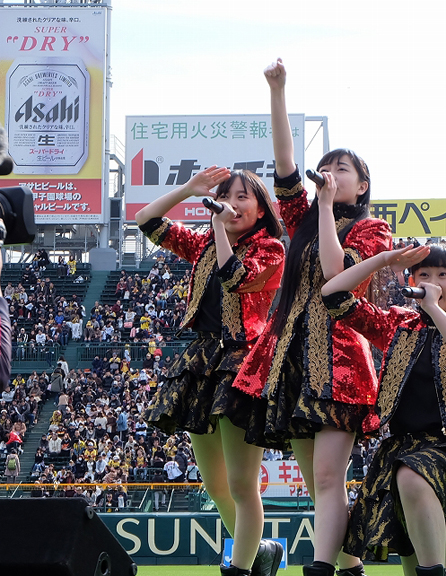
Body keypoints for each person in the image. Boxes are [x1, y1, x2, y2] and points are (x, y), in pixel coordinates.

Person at [232, 58, 392, 576]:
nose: (331, 173)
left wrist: (324, 208)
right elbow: (284, 163)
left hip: (341, 363)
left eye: (343, 169)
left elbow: (335, 275)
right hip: (293, 358)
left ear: (363, 185)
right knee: (320, 482)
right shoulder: (302, 214)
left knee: (327, 479)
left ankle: (323, 568)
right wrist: (277, 91)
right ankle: (349, 567)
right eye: (327, 166)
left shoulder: (373, 230)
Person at [321, 243, 446, 576]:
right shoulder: (398, 324)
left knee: (411, 475)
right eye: (424, 274)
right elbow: (333, 295)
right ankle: (445, 563)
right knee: (410, 552)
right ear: (412, 281)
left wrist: (434, 309)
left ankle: (442, 563)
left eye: (443, 275)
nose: (433, 282)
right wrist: (383, 260)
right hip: (401, 449)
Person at [136, 167, 286, 576]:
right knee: (216, 487)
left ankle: (239, 569)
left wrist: (219, 227)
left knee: (241, 484)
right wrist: (188, 189)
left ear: (260, 209)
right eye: (225, 196)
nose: (231, 205)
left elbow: (235, 277)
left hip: (243, 363)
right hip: (202, 361)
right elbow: (146, 220)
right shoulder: (203, 242)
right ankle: (261, 551)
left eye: (242, 197)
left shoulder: (270, 248)